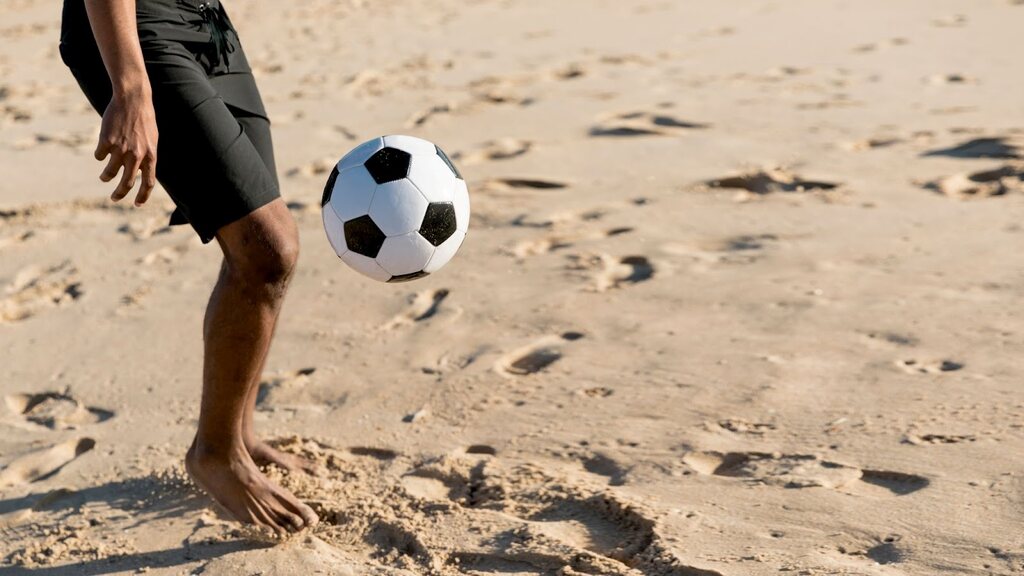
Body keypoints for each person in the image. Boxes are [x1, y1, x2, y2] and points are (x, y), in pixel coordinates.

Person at [59, 0, 319, 536]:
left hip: (208, 22)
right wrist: (131, 85)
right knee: (269, 248)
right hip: (136, 26)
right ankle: (215, 454)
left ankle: (237, 433)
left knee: (255, 253)